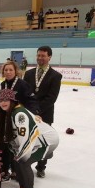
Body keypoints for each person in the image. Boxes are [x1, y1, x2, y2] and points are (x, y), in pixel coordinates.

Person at [0, 89, 59, 188]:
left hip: (47, 140)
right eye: (0, 100)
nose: (3, 103)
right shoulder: (10, 112)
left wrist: (21, 155)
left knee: (23, 161)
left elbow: (27, 139)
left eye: (6, 100)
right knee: (16, 160)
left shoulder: (19, 114)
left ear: (12, 101)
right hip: (37, 140)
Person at [23, 46, 62, 178]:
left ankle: (41, 166)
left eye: (43, 56)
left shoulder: (56, 76)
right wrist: (31, 110)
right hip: (29, 113)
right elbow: (25, 93)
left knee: (45, 140)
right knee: (27, 139)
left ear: (49, 57)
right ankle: (25, 164)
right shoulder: (28, 74)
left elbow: (52, 98)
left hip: (45, 113)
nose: (40, 58)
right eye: (38, 55)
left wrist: (37, 110)